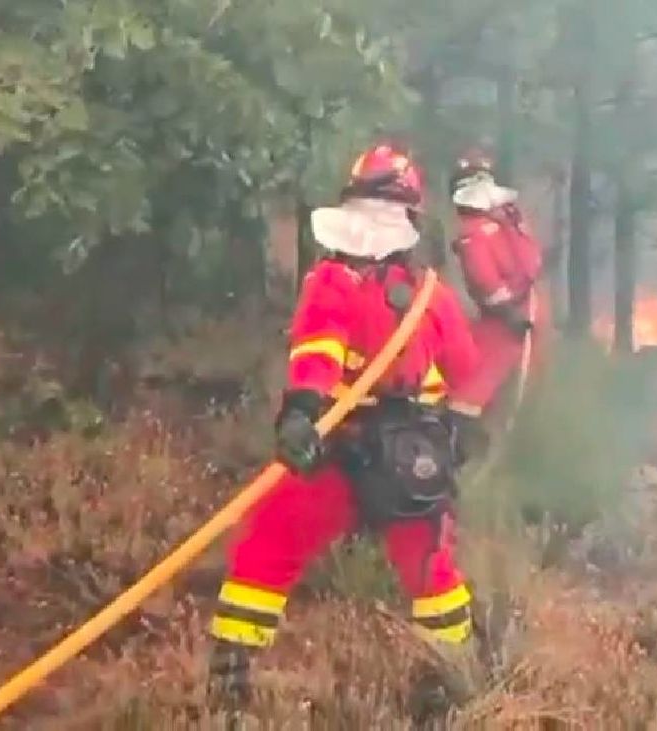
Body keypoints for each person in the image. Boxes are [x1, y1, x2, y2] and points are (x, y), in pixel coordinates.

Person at [205, 140, 487, 717]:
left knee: (268, 547)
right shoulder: (432, 295)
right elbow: (467, 372)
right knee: (432, 572)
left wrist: (302, 414)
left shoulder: (332, 280)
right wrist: (457, 434)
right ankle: (458, 687)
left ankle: (229, 683)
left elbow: (317, 354)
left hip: (340, 447)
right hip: (411, 461)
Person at [447, 147, 551, 421]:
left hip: (526, 312)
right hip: (505, 321)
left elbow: (531, 260)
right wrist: (508, 313)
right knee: (481, 381)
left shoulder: (507, 221)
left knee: (528, 382)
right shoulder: (474, 233)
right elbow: (484, 281)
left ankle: (525, 428)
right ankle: (473, 432)